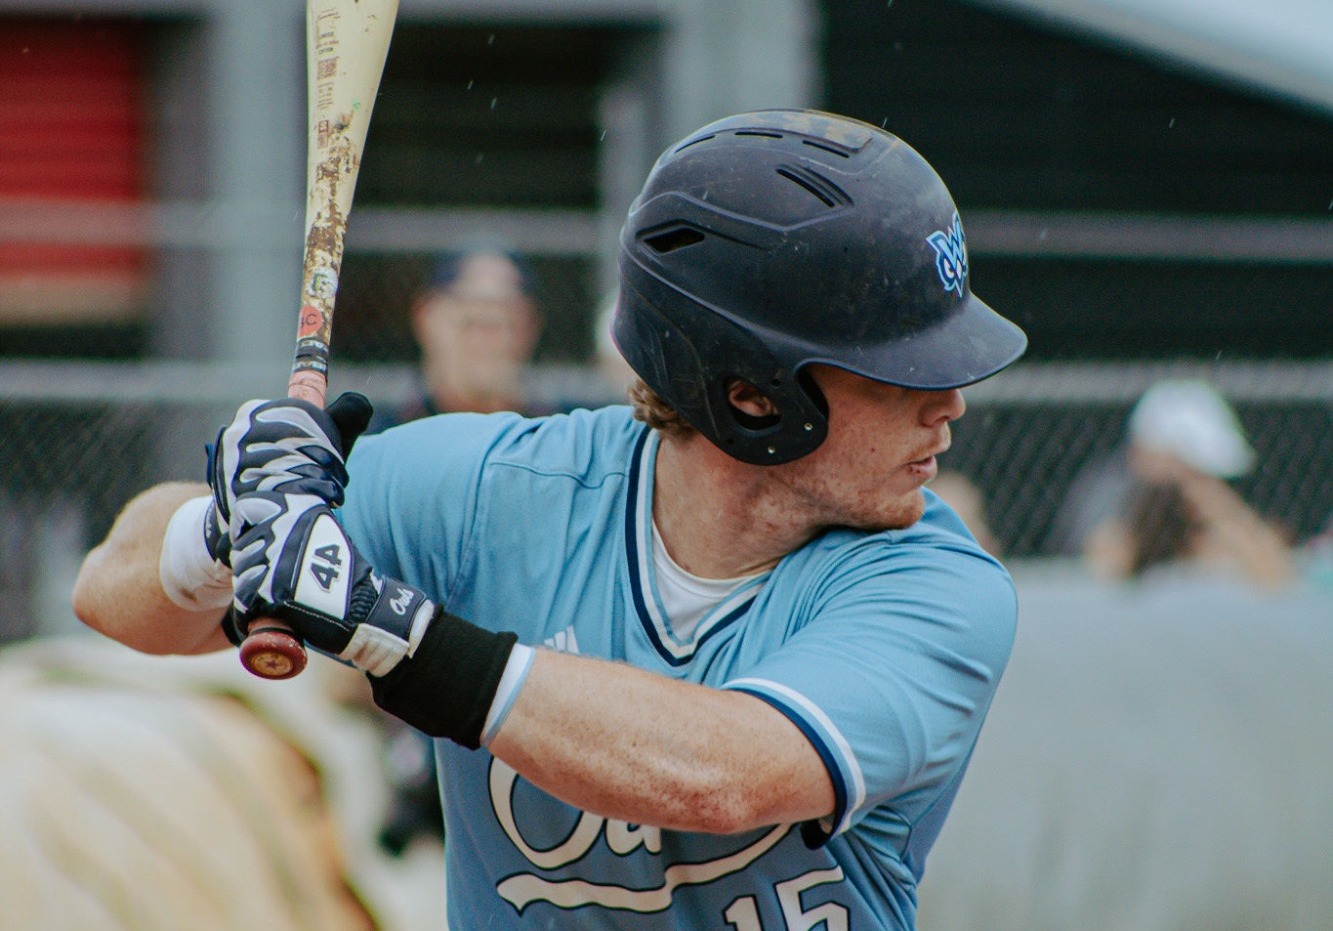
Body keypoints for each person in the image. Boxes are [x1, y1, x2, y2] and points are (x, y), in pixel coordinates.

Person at [73, 109, 1028, 930]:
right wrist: (225, 529)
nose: (950, 401)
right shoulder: (491, 487)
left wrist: (394, 632)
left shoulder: (938, 586)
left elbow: (713, 773)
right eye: (903, 369)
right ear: (751, 393)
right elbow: (111, 595)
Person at [1053, 379, 1294, 587]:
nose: (1202, 483)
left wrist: (1211, 502)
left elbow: (1274, 575)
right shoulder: (1114, 489)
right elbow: (1105, 568)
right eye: (1192, 470)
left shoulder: (1205, 504)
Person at [370, 244, 548, 432]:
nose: (485, 343)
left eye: (504, 323)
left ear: (530, 326)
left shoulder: (553, 441)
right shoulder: (382, 438)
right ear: (426, 318)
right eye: (470, 322)